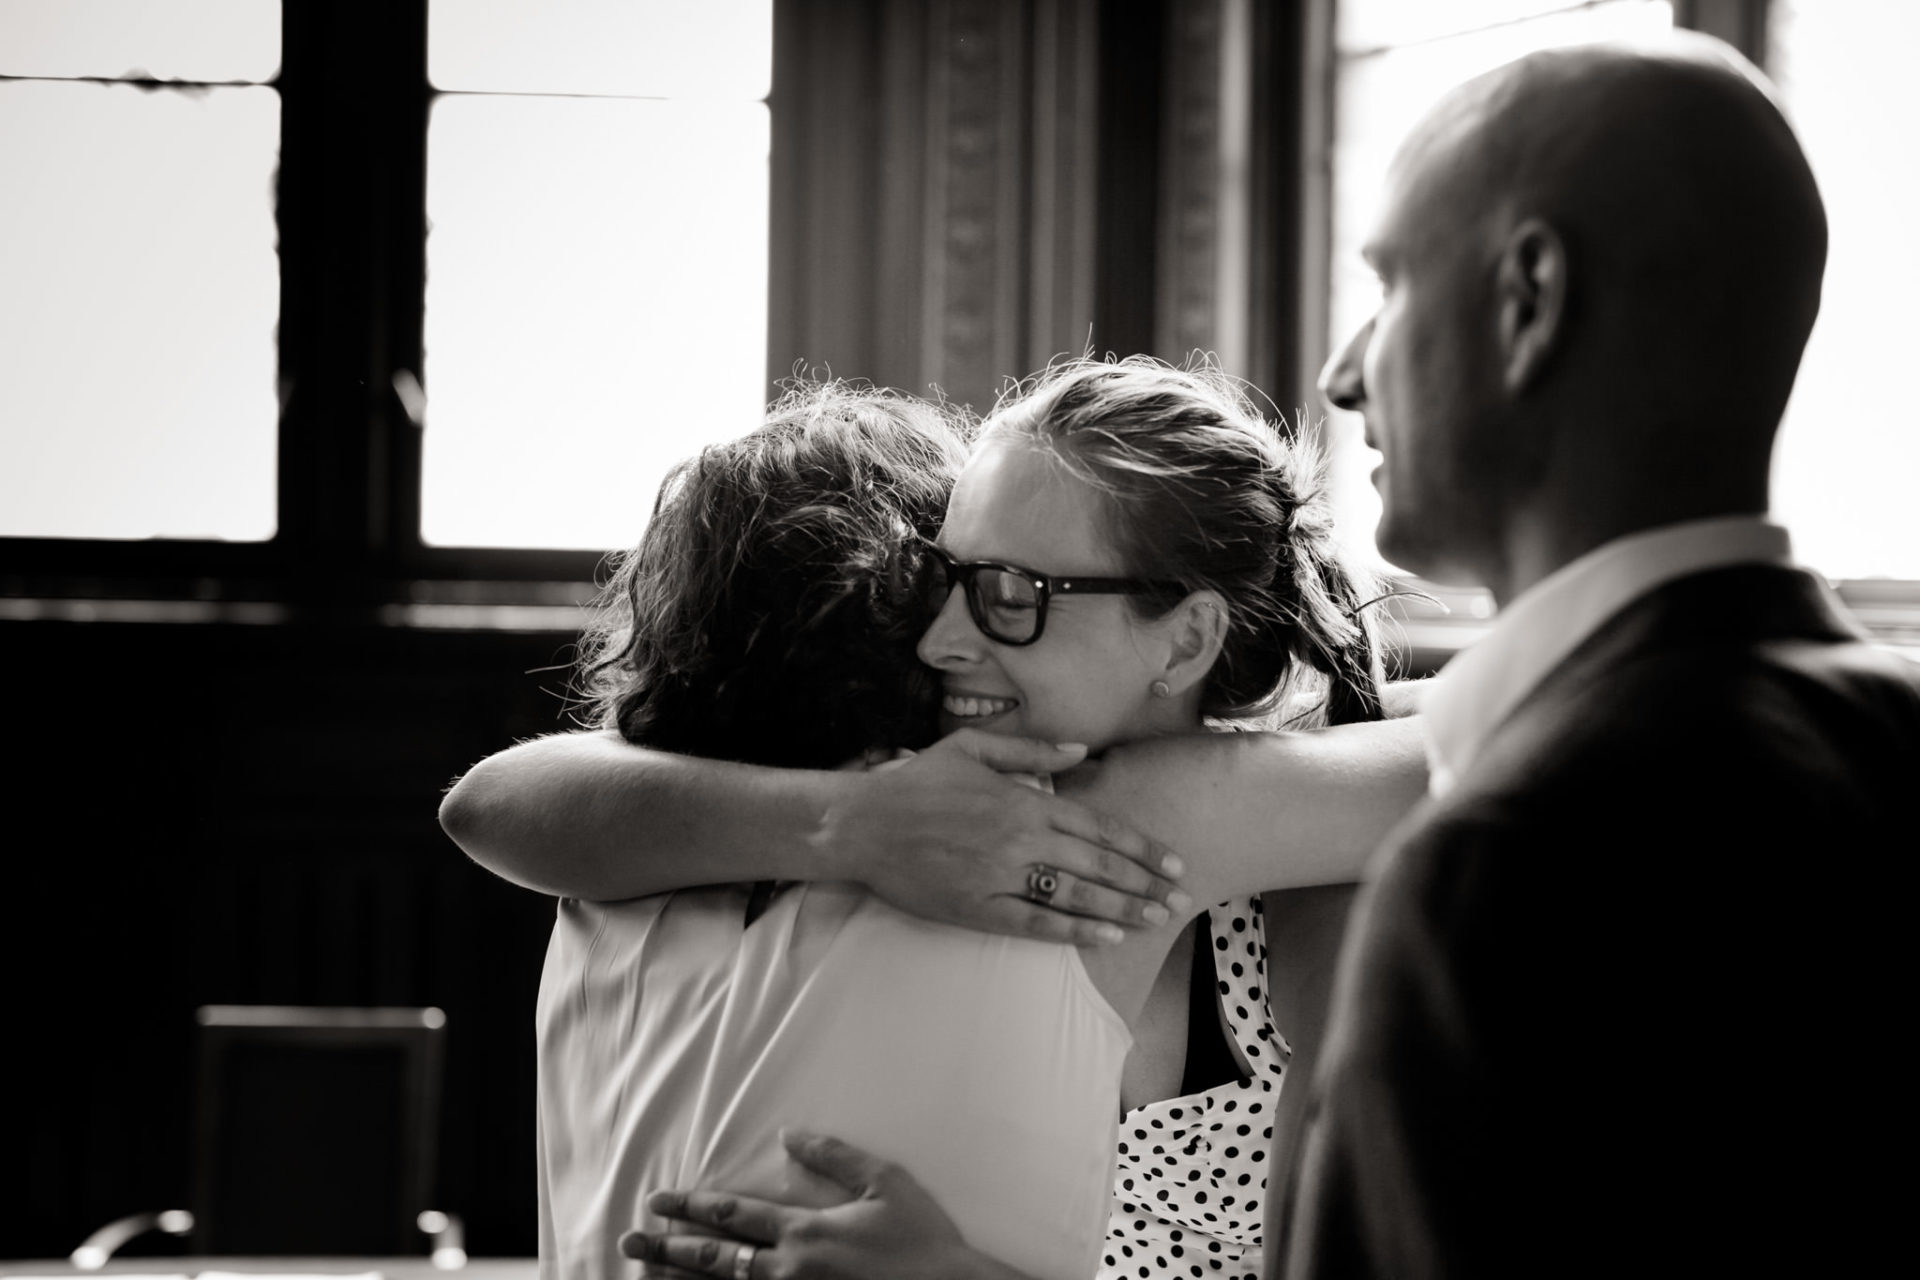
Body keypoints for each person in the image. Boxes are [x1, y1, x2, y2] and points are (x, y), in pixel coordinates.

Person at [441, 359, 1431, 1280]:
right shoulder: (920, 821)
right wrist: (850, 820)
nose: (945, 637)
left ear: (1188, 636)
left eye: (1011, 595)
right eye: (946, 581)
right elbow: (492, 801)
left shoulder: (1245, 836)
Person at [1267, 32, 1920, 1279]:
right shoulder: (1897, 741)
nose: (1342, 374)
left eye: (1391, 286)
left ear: (1528, 302)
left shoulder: (1509, 869)